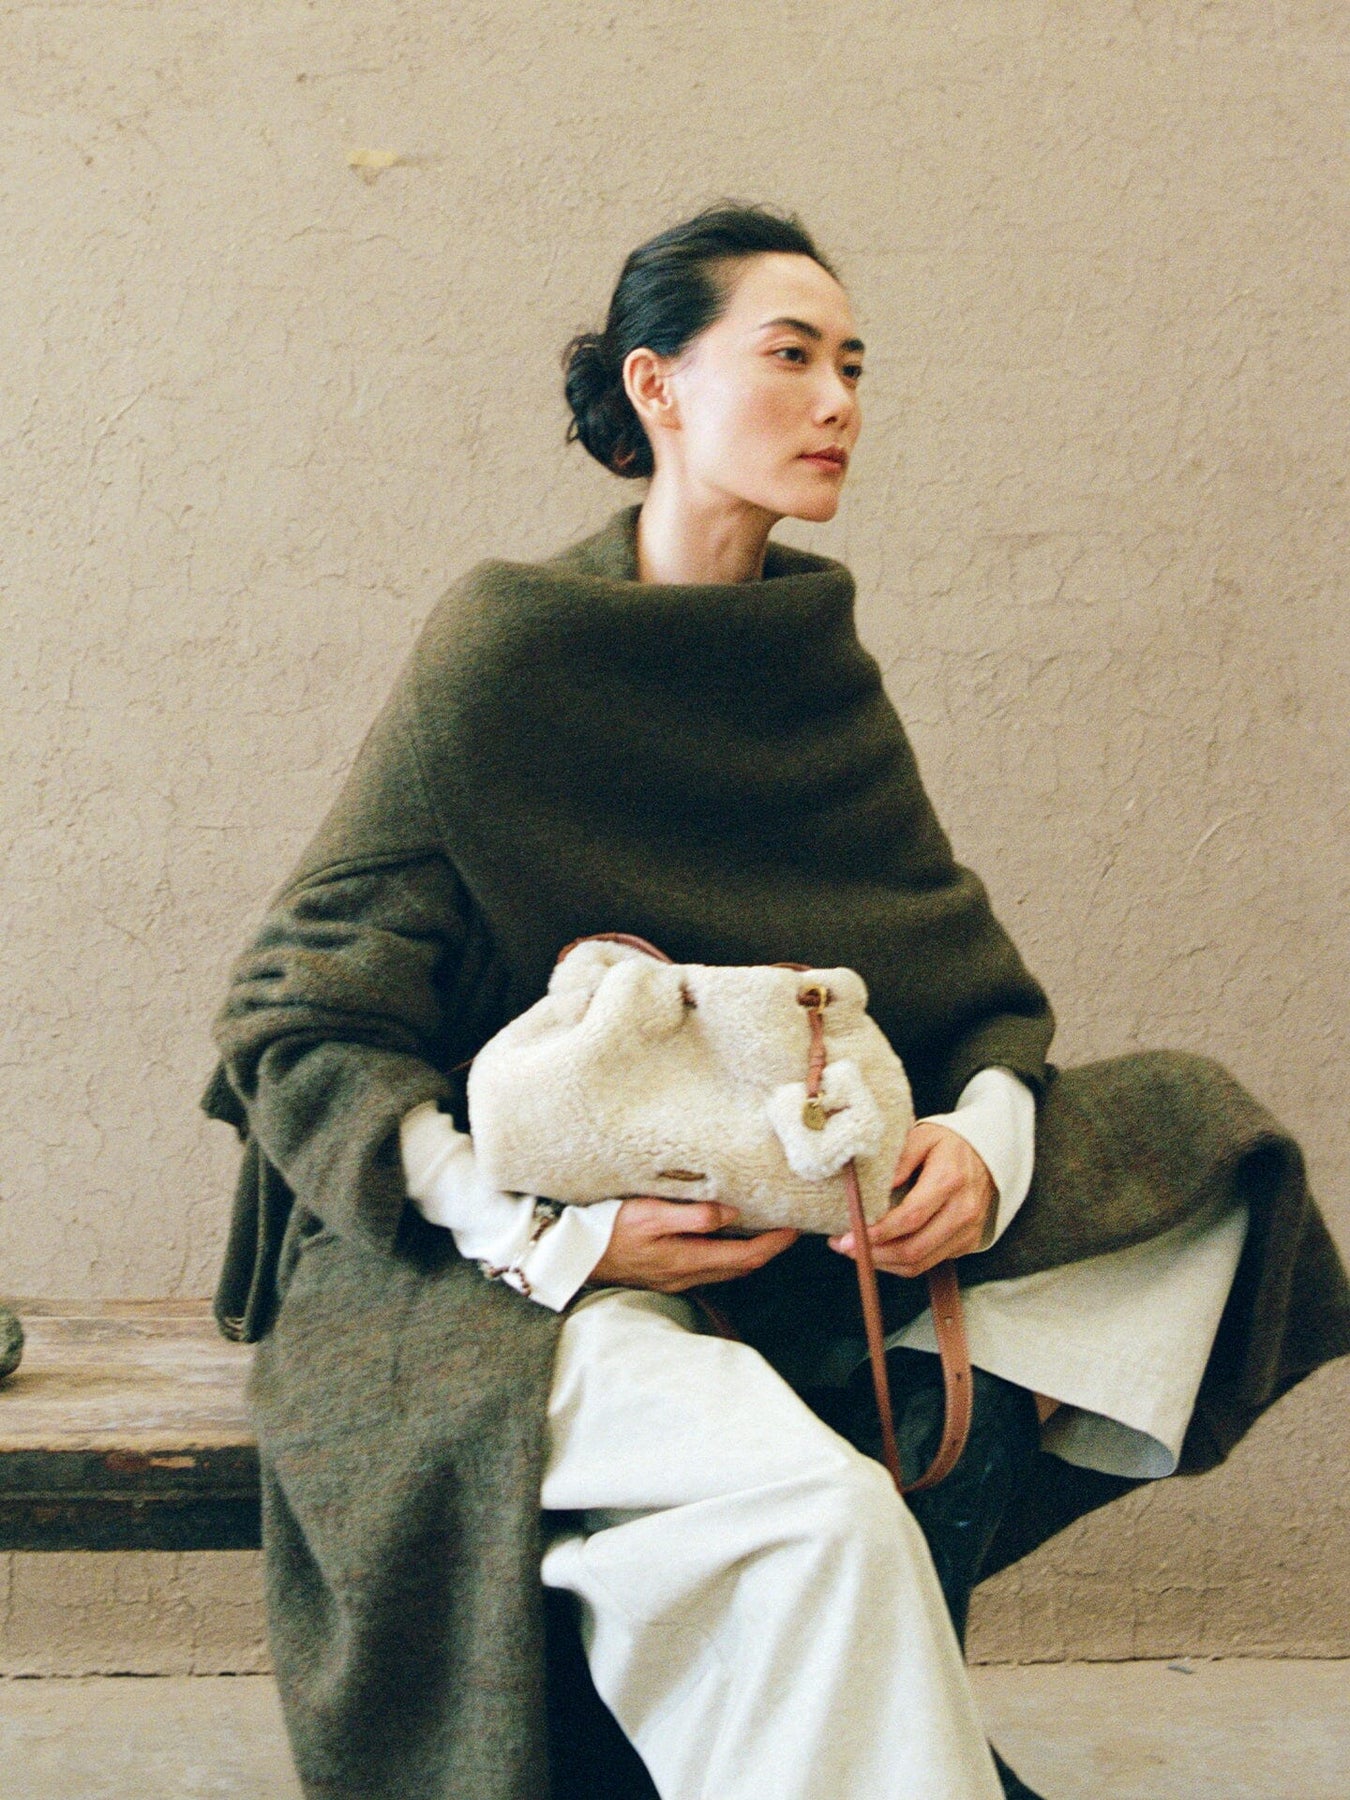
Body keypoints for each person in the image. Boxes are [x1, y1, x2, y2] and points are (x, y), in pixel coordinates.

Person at [203, 204, 1350, 1800]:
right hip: (491, 1264)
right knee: (824, 1526)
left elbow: (970, 995)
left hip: (793, 1222)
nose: (836, 402)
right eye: (791, 356)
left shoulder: (808, 657)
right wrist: (548, 1238)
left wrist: (983, 1148)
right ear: (656, 386)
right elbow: (291, 1012)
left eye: (853, 365)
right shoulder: (509, 646)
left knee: (1201, 1141)